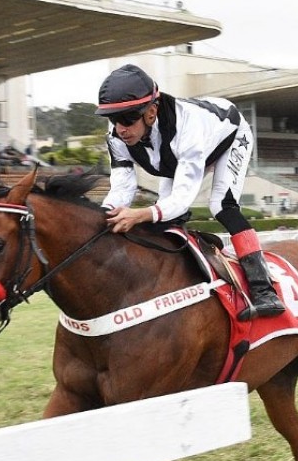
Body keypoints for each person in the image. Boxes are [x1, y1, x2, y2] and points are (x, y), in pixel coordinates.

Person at [96, 63, 284, 319]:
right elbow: (122, 187)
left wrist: (139, 215)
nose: (120, 128)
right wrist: (103, 215)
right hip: (177, 155)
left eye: (128, 119)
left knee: (221, 205)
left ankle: (264, 289)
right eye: (114, 119)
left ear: (151, 112)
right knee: (163, 217)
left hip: (229, 136)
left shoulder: (188, 129)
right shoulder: (116, 136)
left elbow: (182, 200)